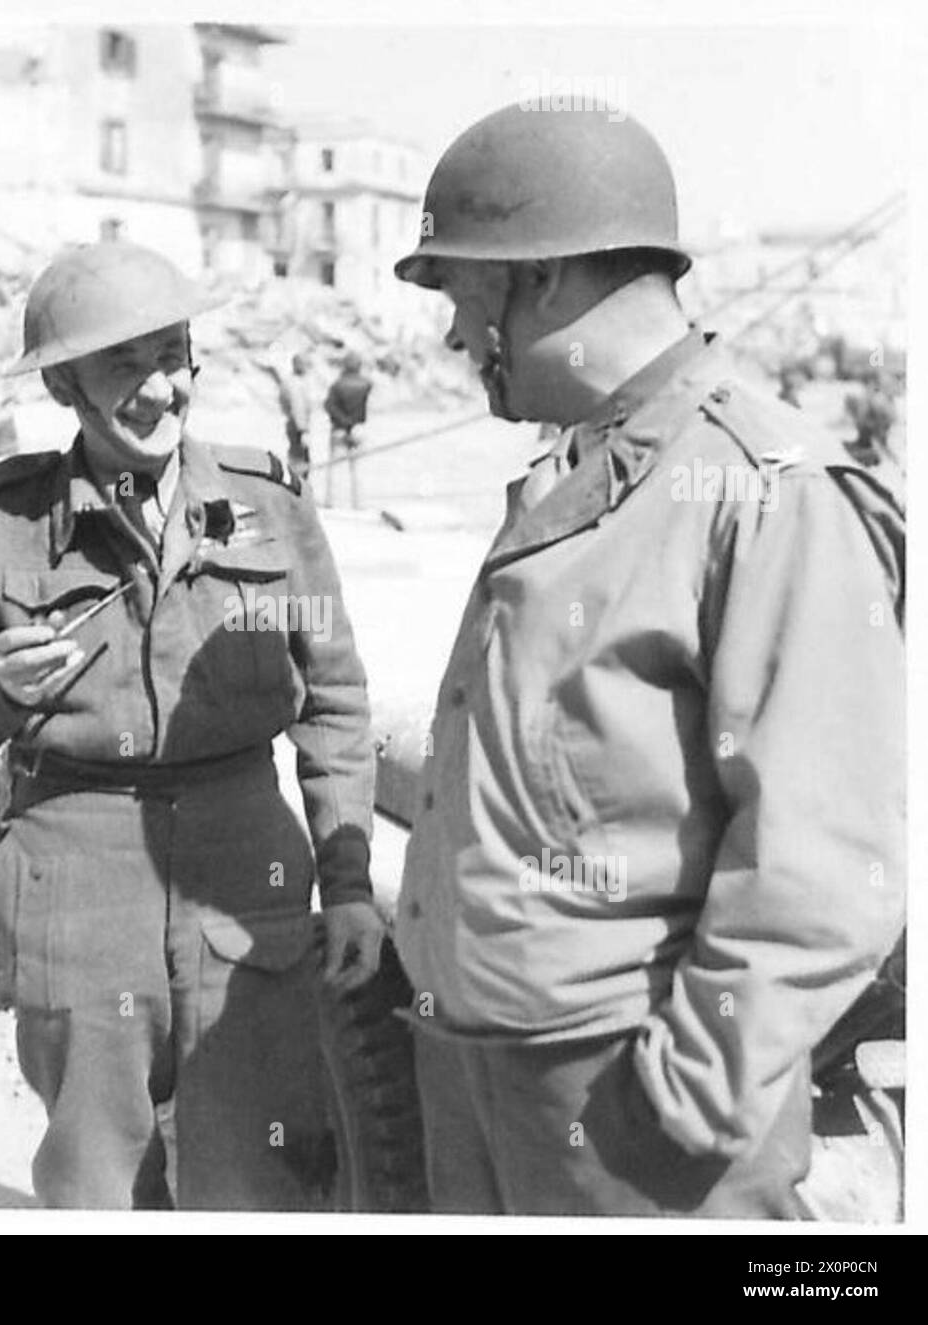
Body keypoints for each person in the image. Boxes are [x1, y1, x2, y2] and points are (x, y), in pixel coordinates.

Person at [391, 105, 905, 1217]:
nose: (449, 340)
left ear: (548, 280)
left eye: (461, 296)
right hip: (490, 1080)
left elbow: (821, 863)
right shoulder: (579, 471)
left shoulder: (765, 490)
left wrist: (684, 1100)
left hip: (632, 1114)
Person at [0, 241, 384, 1210]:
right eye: (128, 367)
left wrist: (347, 884)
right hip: (76, 872)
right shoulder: (5, 520)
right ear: (66, 385)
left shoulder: (269, 508)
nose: (163, 389)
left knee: (259, 1169)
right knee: (97, 1175)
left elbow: (332, 700)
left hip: (245, 865)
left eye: (174, 356)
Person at [323, 353, 372, 507]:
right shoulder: (366, 384)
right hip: (359, 429)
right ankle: (359, 503)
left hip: (339, 429)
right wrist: (353, 424)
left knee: (336, 469)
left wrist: (345, 423)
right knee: (358, 469)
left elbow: (329, 406)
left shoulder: (337, 385)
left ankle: (332, 503)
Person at [260, 350, 315, 481]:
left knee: (295, 455)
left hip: (291, 422)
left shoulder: (288, 381)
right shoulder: (296, 384)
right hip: (298, 425)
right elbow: (298, 407)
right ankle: (299, 487)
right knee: (301, 458)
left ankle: (295, 483)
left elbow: (283, 402)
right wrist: (302, 429)